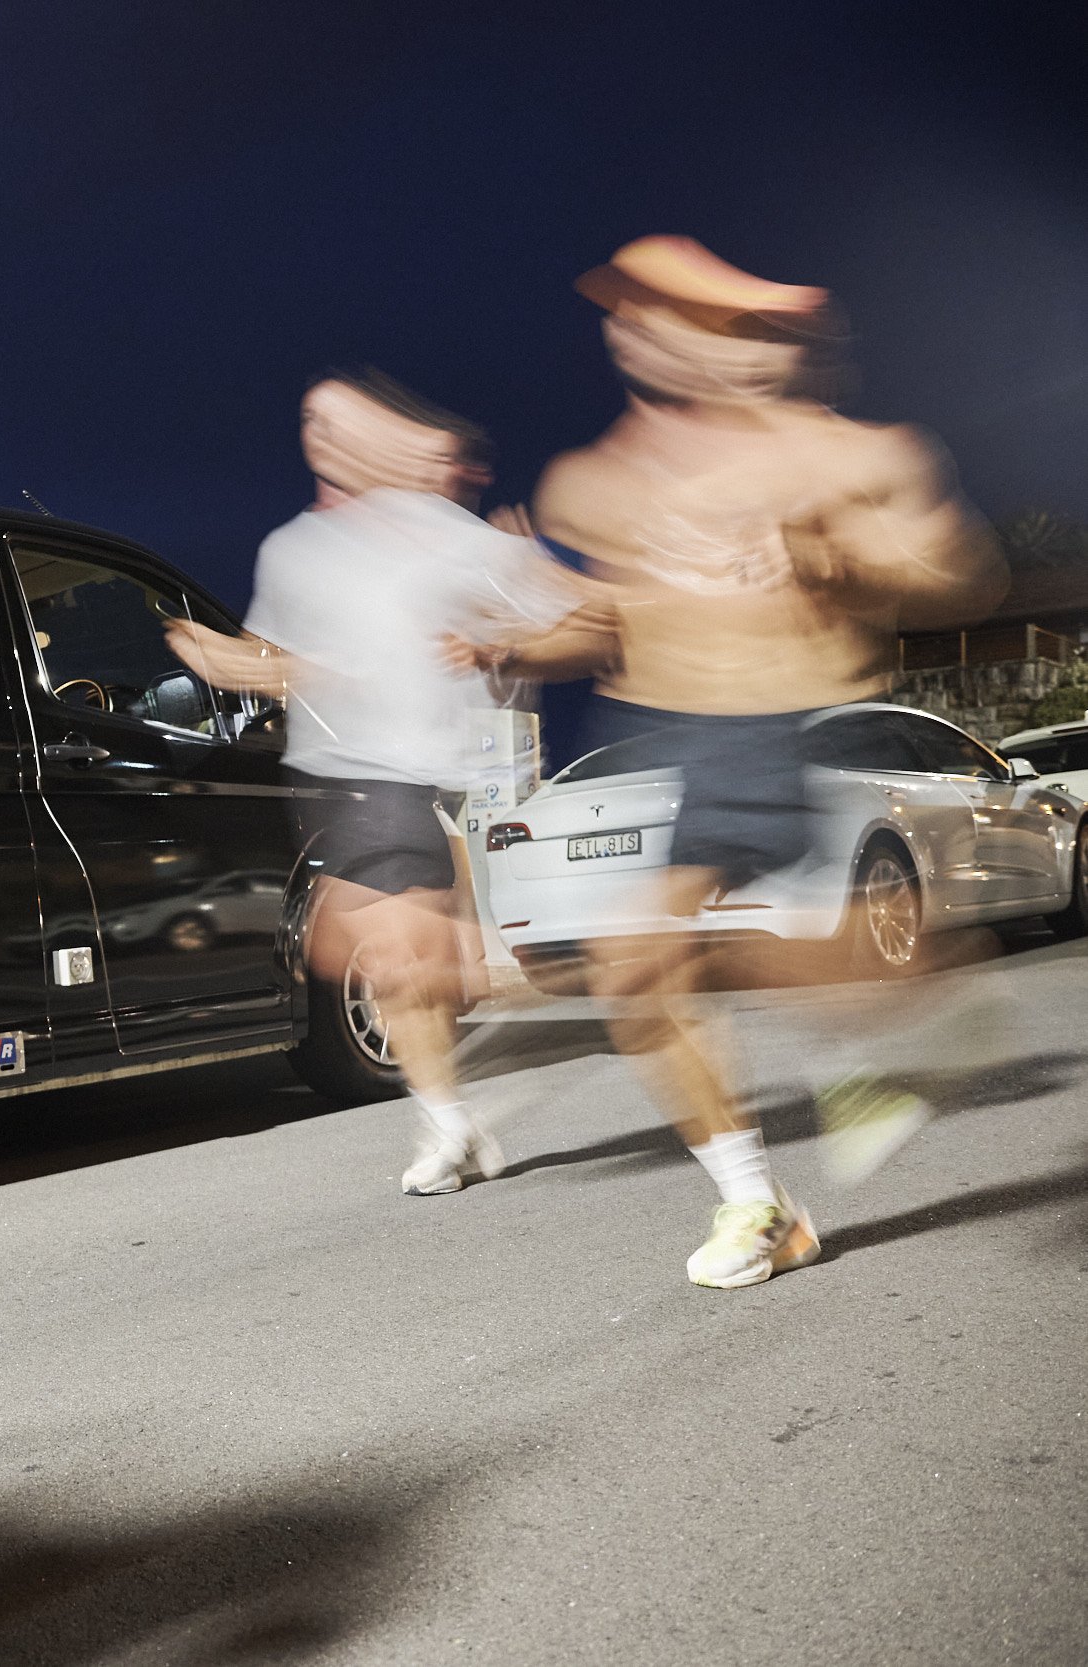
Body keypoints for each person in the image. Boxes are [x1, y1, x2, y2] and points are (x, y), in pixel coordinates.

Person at [453, 236, 1002, 1288]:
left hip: (783, 718)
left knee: (633, 959)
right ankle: (889, 1034)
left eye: (688, 316)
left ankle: (764, 1191)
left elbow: (957, 575)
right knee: (669, 970)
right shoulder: (596, 481)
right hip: (671, 736)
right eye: (632, 313)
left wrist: (841, 552)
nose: (649, 332)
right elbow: (606, 624)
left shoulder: (842, 453)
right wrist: (516, 640)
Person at [169, 370, 578, 1196]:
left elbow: (563, 615)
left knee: (391, 956)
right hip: (330, 781)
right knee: (389, 964)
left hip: (412, 776)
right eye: (311, 421)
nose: (322, 435)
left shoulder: (448, 536)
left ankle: (448, 1119)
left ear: (380, 436)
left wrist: (505, 645)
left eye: (341, 421)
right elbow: (276, 659)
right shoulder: (290, 549)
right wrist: (225, 661)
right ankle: (447, 1118)